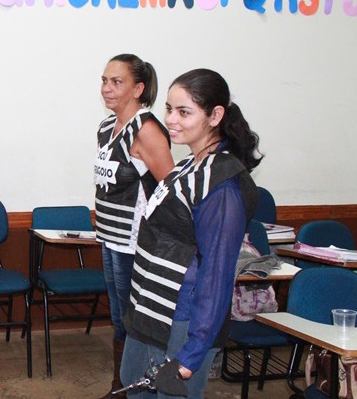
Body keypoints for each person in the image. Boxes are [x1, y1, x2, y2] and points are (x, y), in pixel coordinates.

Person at [119, 69, 262, 398]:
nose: (171, 119)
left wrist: (192, 354)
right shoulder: (187, 167)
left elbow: (217, 272)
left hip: (182, 316)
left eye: (184, 112)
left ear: (215, 116)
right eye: (169, 109)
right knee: (133, 383)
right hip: (151, 307)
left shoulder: (222, 184)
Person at [94, 53, 174, 398]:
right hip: (108, 236)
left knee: (133, 320)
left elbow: (170, 189)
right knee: (118, 317)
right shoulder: (105, 128)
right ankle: (120, 386)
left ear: (138, 88)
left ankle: (132, 387)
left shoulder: (146, 129)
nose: (106, 88)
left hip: (134, 241)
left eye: (117, 82)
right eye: (104, 80)